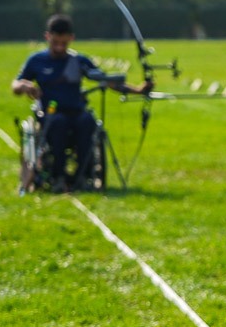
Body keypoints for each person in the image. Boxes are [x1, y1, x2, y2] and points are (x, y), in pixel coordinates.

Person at [11, 13, 151, 192]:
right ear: (47, 37)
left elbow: (107, 81)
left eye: (64, 43)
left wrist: (138, 90)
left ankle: (83, 177)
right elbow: (16, 85)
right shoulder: (36, 61)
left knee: (87, 122)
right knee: (58, 123)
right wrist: (24, 86)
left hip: (76, 112)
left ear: (71, 38)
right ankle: (58, 177)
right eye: (55, 43)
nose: (60, 47)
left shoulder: (78, 61)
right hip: (50, 113)